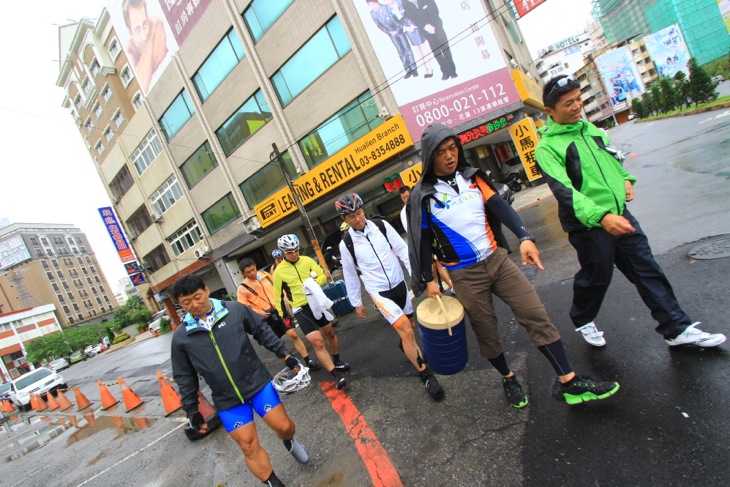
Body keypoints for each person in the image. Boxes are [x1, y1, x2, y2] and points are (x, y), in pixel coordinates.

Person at [405, 123, 620, 408]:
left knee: (535, 314)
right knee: (488, 335)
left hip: (497, 261)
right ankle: (508, 376)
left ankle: (568, 381)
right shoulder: (424, 195)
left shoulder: (473, 178)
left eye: (453, 148)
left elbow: (501, 207)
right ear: (430, 156)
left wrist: (525, 237)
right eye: (441, 151)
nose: (449, 155)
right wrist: (429, 279)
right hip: (464, 275)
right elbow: (420, 241)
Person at [534, 75, 726, 349]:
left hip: (620, 214)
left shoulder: (592, 130)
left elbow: (615, 159)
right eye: (568, 103)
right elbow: (565, 192)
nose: (577, 106)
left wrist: (625, 179)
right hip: (588, 226)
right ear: (550, 111)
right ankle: (582, 317)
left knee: (646, 268)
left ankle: (676, 328)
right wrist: (601, 217)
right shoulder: (547, 149)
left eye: (578, 99)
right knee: (598, 276)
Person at [170, 274, 308, 487]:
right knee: (247, 446)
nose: (194, 305)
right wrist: (191, 411)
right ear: (180, 305)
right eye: (186, 302)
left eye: (197, 297)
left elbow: (262, 332)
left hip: (257, 385)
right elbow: (184, 376)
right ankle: (273, 482)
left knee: (284, 426)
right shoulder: (181, 337)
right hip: (227, 401)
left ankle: (288, 440)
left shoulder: (234, 310)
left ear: (206, 290)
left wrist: (286, 356)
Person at [335, 193, 444, 400]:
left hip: (399, 285)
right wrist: (356, 302)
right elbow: (350, 274)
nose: (357, 219)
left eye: (359, 213)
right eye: (351, 217)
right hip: (379, 293)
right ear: (344, 219)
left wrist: (416, 276)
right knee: (406, 330)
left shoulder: (381, 226)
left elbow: (402, 250)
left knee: (409, 328)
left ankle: (406, 346)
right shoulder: (346, 243)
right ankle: (426, 375)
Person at [273, 234, 350, 390]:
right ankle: (336, 374)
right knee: (317, 342)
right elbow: (278, 297)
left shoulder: (307, 261)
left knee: (330, 334)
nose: (294, 254)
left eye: (296, 250)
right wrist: (285, 319)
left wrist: (314, 283)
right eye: (290, 252)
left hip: (315, 302)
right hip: (301, 308)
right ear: (283, 253)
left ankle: (337, 361)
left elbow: (322, 274)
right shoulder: (279, 271)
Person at [237, 258, 321, 371]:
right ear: (243, 273)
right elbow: (244, 308)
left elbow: (278, 287)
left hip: (279, 310)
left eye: (253, 269)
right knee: (277, 344)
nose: (252, 273)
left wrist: (284, 298)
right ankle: (294, 365)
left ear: (255, 266)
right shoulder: (242, 289)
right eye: (248, 272)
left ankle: (308, 360)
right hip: (265, 318)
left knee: (293, 334)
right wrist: (259, 313)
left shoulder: (265, 275)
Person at [400, 185, 454, 292]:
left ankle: (450, 285)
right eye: (404, 198)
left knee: (437, 264)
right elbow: (410, 231)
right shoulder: (404, 212)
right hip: (420, 243)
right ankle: (438, 286)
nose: (406, 199)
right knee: (432, 266)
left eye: (407, 196)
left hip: (430, 238)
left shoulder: (420, 204)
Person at [402, 0, 456, 80]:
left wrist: (432, 25)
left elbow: (434, 10)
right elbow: (412, 18)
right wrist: (425, 26)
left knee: (445, 48)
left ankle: (452, 71)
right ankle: (445, 72)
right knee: (436, 51)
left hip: (436, 25)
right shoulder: (405, 2)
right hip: (425, 29)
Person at [122, 0, 168, 92]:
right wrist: (151, 38)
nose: (144, 37)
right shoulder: (129, 50)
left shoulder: (157, 24)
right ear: (130, 32)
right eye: (137, 30)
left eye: (144, 24)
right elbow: (142, 84)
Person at [367, 0, 418, 78]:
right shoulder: (372, 13)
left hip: (399, 30)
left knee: (407, 48)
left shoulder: (387, 7)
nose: (373, 7)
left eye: (374, 4)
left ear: (377, 2)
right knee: (400, 51)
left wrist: (396, 30)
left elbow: (396, 20)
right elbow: (379, 25)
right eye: (371, 6)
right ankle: (408, 70)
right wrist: (389, 32)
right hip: (391, 34)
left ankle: (414, 69)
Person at [385, 0, 433, 78]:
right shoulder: (387, 8)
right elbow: (394, 20)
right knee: (417, 49)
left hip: (414, 25)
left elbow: (410, 12)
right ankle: (424, 70)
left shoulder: (401, 1)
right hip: (406, 29)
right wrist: (405, 27)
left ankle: (430, 69)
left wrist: (412, 25)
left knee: (423, 46)